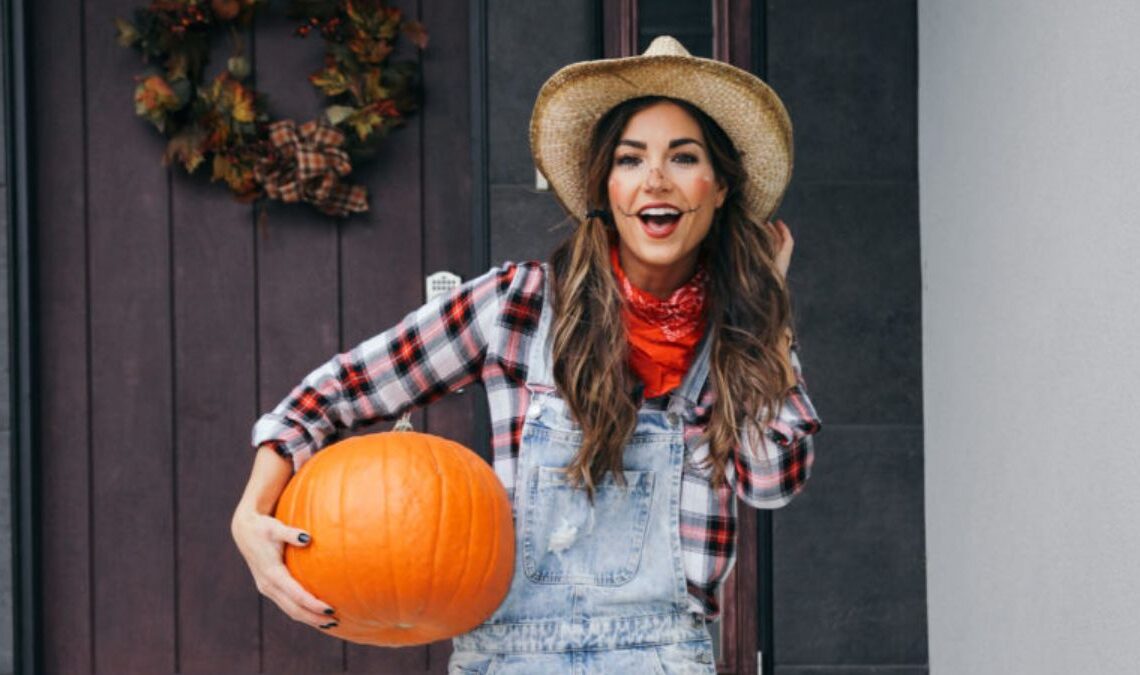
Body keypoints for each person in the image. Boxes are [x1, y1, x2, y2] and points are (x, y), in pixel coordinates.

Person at [231, 35, 822, 674]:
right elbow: (329, 396)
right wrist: (251, 514)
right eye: (630, 159)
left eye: (683, 157)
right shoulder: (518, 306)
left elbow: (770, 482)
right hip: (509, 660)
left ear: (720, 188)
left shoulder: (736, 339)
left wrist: (767, 315)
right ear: (606, 187)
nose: (655, 179)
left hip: (663, 661)